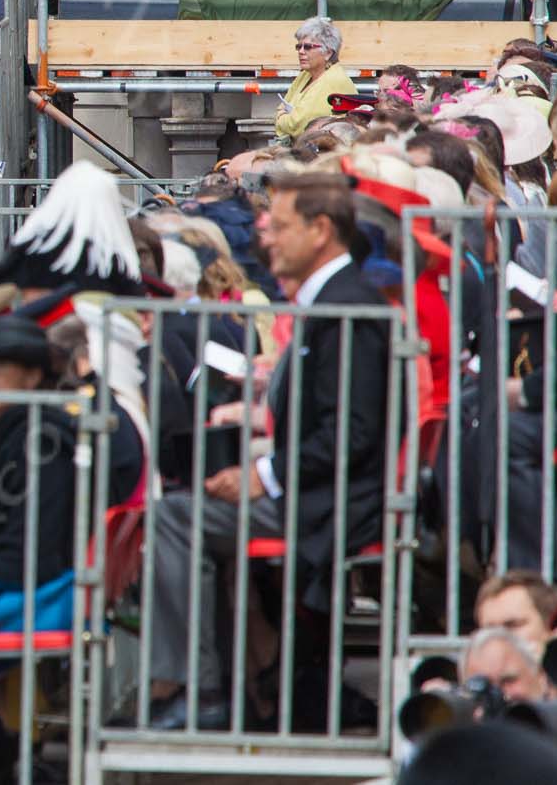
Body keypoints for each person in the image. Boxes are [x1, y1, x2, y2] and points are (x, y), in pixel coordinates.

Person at [145, 173, 390, 731]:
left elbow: (352, 432)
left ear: (320, 229)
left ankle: (196, 688)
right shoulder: (332, 299)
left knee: (173, 517)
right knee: (183, 507)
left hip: (332, 500)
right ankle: (229, 682)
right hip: (318, 487)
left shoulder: (348, 307)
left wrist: (264, 474)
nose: (266, 237)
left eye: (279, 226)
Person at [276, 16, 351, 141]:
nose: (301, 51)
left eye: (308, 47)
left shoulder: (332, 80)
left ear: (328, 53)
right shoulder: (306, 74)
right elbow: (281, 109)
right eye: (298, 46)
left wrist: (281, 117)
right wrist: (284, 117)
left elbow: (298, 125)